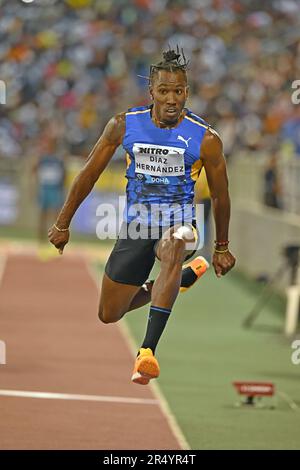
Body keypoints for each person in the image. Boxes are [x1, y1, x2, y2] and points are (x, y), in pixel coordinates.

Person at [48, 48, 236, 385]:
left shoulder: (205, 138)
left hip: (180, 221)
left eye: (178, 91)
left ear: (187, 93)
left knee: (176, 242)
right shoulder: (123, 125)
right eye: (164, 91)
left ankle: (147, 352)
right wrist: (63, 223)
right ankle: (181, 279)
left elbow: (221, 195)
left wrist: (221, 246)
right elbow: (88, 174)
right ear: (151, 92)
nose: (171, 99)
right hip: (137, 226)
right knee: (109, 314)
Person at [33, 138, 66, 241]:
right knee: (43, 214)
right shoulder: (43, 157)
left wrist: (62, 187)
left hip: (55, 188)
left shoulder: (59, 158)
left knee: (56, 215)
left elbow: (63, 173)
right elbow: (34, 169)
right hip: (45, 187)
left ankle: (55, 238)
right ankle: (41, 239)